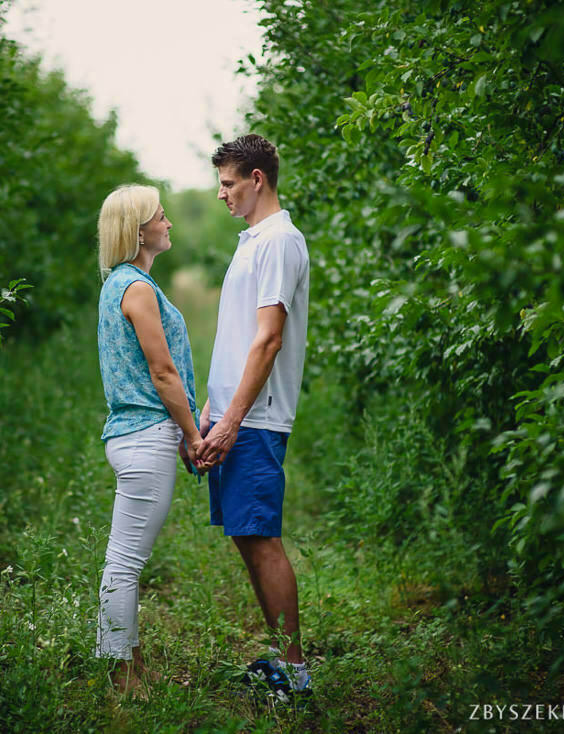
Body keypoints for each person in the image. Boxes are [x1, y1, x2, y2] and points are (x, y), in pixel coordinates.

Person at [197, 134, 312, 702]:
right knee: (247, 537)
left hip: (256, 420)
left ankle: (296, 674)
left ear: (257, 179)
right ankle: (282, 664)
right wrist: (210, 411)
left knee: (262, 540)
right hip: (232, 415)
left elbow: (268, 340)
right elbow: (237, 335)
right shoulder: (251, 241)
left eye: (228, 183)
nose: (221, 194)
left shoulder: (281, 242)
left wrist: (233, 421)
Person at [94, 184, 207, 696]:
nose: (168, 222)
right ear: (139, 231)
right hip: (146, 435)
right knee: (124, 563)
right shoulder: (136, 288)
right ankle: (121, 678)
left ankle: (133, 664)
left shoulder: (120, 283)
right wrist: (192, 434)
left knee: (126, 561)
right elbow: (162, 373)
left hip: (132, 434)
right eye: (161, 216)